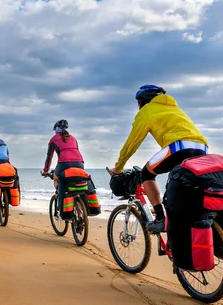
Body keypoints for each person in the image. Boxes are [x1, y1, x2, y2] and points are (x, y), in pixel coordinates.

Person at [109, 85, 209, 233]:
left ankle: (161, 218)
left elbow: (131, 144)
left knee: (147, 174)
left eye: (138, 103)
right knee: (187, 184)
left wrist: (118, 167)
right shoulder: (175, 108)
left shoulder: (147, 111)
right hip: (202, 148)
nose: (138, 107)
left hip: (178, 147)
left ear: (143, 101)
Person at [41, 120, 85, 220]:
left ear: (56, 130)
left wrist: (45, 171)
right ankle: (80, 215)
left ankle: (60, 194)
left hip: (64, 163)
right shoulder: (73, 138)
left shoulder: (53, 139)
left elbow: (49, 158)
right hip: (80, 164)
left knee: (56, 179)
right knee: (76, 185)